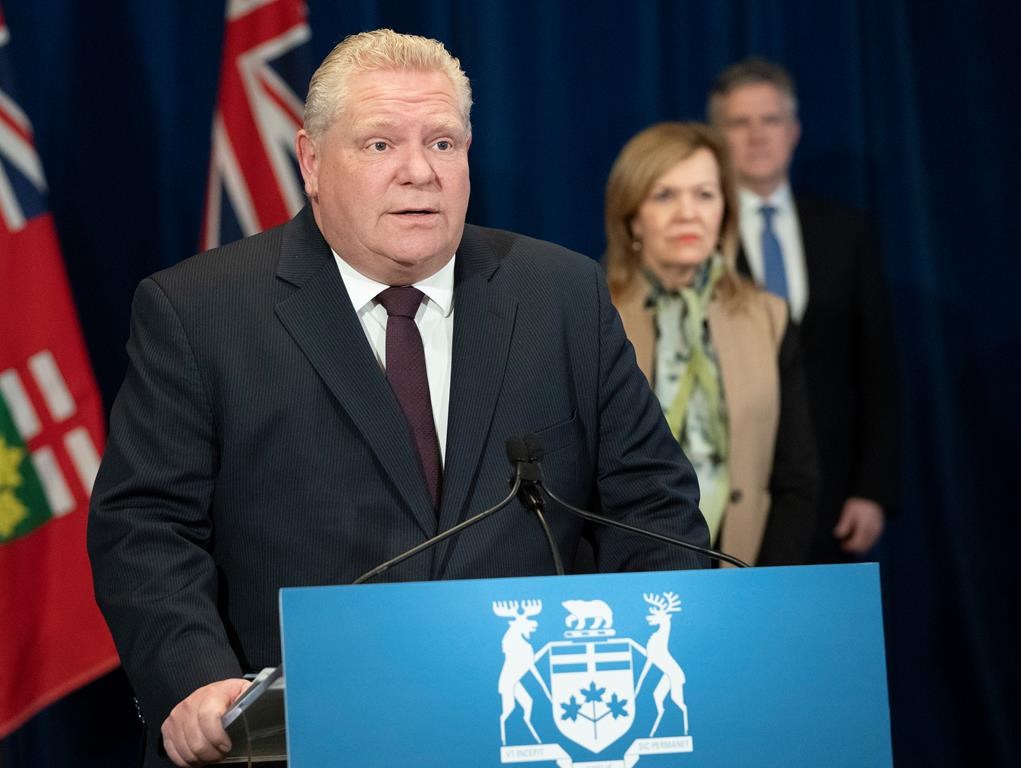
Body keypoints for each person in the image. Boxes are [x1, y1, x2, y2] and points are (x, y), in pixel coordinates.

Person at [87, 29, 708, 768]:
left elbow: (654, 511)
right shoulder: (199, 310)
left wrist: (645, 654)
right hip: (293, 740)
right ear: (312, 162)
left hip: (532, 736)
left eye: (442, 143)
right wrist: (195, 681)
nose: (419, 172)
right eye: (380, 145)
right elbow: (144, 529)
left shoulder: (561, 295)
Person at [707, 57, 899, 563]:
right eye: (739, 123)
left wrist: (873, 488)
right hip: (726, 494)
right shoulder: (696, 235)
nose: (757, 136)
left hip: (834, 496)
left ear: (793, 131)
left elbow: (876, 368)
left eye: (770, 121)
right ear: (717, 136)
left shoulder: (846, 232)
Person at [604, 121, 820, 568]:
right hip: (626, 573)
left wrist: (766, 584)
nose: (689, 213)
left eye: (705, 194)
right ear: (631, 217)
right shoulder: (590, 313)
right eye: (665, 195)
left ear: (725, 209)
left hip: (746, 566)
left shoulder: (768, 317)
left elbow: (796, 477)